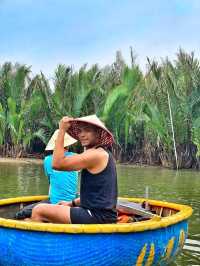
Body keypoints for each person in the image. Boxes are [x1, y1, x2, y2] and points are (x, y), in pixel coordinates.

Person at [30, 114, 118, 224]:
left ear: (98, 133)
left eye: (87, 131)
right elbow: (94, 196)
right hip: (97, 213)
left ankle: (42, 241)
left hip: (97, 216)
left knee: (39, 210)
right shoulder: (99, 153)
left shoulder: (96, 155)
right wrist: (71, 203)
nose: (82, 135)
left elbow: (57, 164)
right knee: (55, 209)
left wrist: (61, 130)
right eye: (80, 131)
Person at [15, 130, 78, 219]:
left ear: (54, 145)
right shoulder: (76, 157)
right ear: (68, 145)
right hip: (72, 202)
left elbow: (50, 182)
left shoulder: (48, 160)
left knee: (22, 213)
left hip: (54, 202)